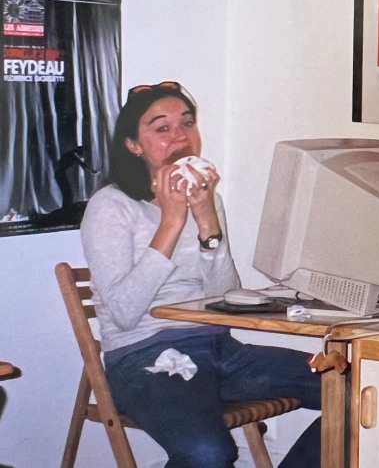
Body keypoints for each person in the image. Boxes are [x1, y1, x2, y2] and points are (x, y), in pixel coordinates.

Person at [81, 81, 322, 467]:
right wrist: (172, 222)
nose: (180, 136)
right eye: (162, 128)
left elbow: (224, 300)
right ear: (134, 145)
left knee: (352, 390)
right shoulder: (110, 206)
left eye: (187, 123)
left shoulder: (208, 199)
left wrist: (207, 217)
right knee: (207, 452)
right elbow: (125, 313)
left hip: (220, 351)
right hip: (146, 358)